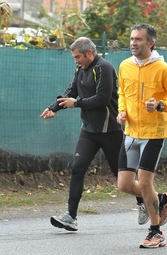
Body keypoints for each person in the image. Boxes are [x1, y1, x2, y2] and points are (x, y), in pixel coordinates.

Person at [40, 37, 125, 231]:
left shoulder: (104, 68)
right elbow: (72, 90)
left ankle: (148, 202)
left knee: (121, 175)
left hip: (109, 130)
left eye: (78, 56)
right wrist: (53, 107)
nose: (76, 60)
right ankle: (71, 217)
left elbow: (102, 99)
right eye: (74, 57)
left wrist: (76, 103)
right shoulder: (81, 69)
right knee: (77, 168)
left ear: (89, 53)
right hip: (89, 130)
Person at [116, 23, 167, 248]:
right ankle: (163, 199)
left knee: (146, 183)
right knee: (124, 185)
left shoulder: (162, 69)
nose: (133, 43)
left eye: (138, 39)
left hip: (153, 134)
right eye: (132, 39)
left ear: (150, 43)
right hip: (130, 133)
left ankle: (156, 232)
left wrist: (159, 105)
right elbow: (122, 93)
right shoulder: (125, 66)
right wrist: (121, 111)